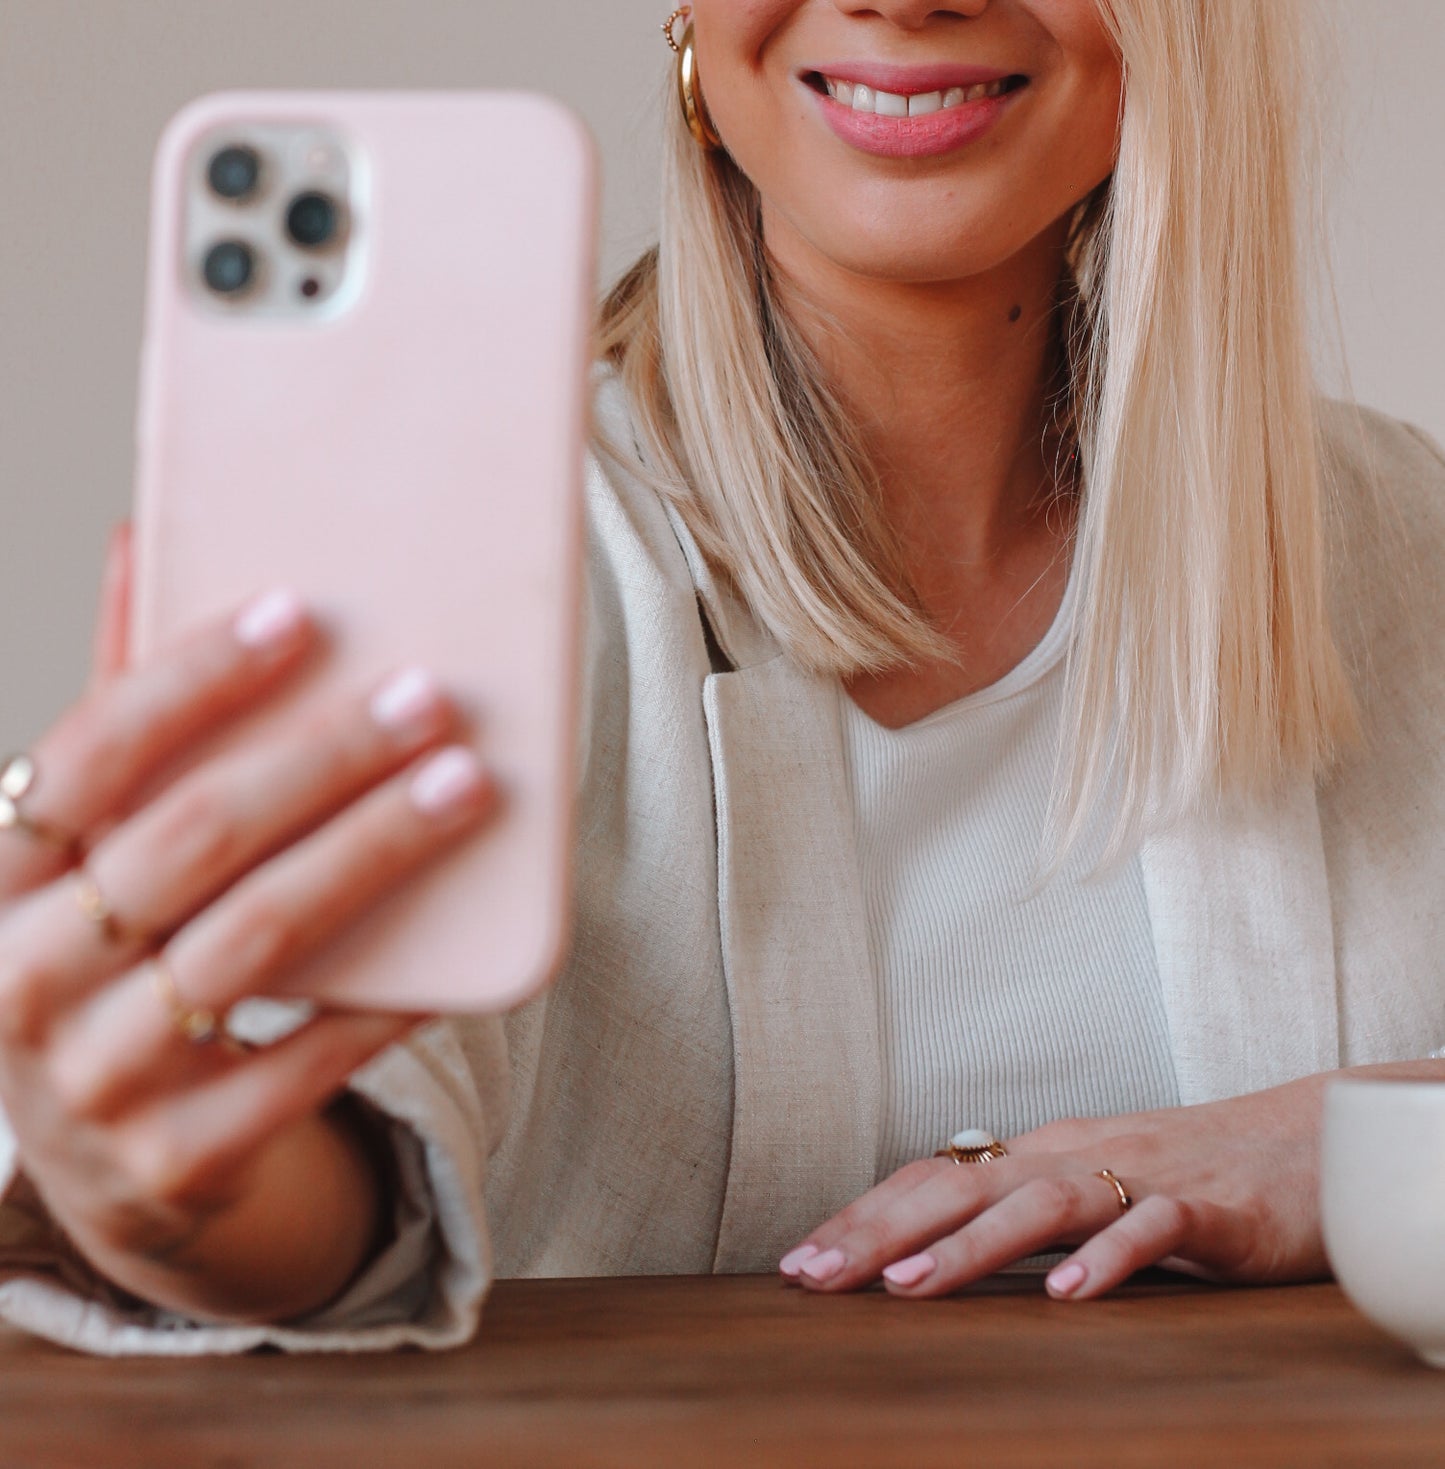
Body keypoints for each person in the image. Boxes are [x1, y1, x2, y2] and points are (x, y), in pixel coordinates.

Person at [0, 0, 1442, 1355]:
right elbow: (342, 1159)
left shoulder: (1396, 536)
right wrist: (176, 1195)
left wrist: (1343, 1136)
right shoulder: (471, 545)